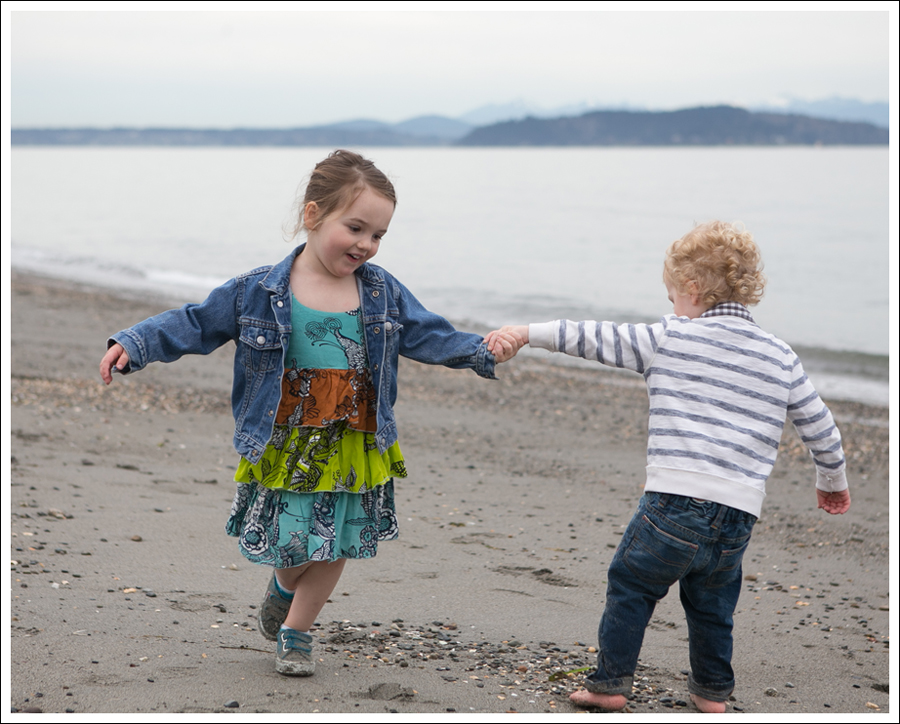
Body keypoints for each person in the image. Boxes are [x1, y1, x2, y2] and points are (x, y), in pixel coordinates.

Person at [100, 150, 519, 677]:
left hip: (354, 440)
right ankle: (282, 584)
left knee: (336, 540)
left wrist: (482, 349)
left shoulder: (382, 291)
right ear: (313, 215)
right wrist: (136, 343)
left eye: (378, 235)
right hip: (287, 440)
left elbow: (429, 334)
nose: (366, 244)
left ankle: (296, 633)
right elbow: (195, 323)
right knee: (295, 544)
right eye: (356, 228)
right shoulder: (258, 290)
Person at [485, 220, 850, 713]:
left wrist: (526, 333)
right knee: (713, 607)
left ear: (692, 290)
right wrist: (832, 482)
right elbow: (821, 427)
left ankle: (609, 684)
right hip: (738, 515)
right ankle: (711, 693)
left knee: (631, 584)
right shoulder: (781, 356)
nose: (673, 307)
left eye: (673, 296)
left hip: (673, 504)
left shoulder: (671, 335)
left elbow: (593, 337)